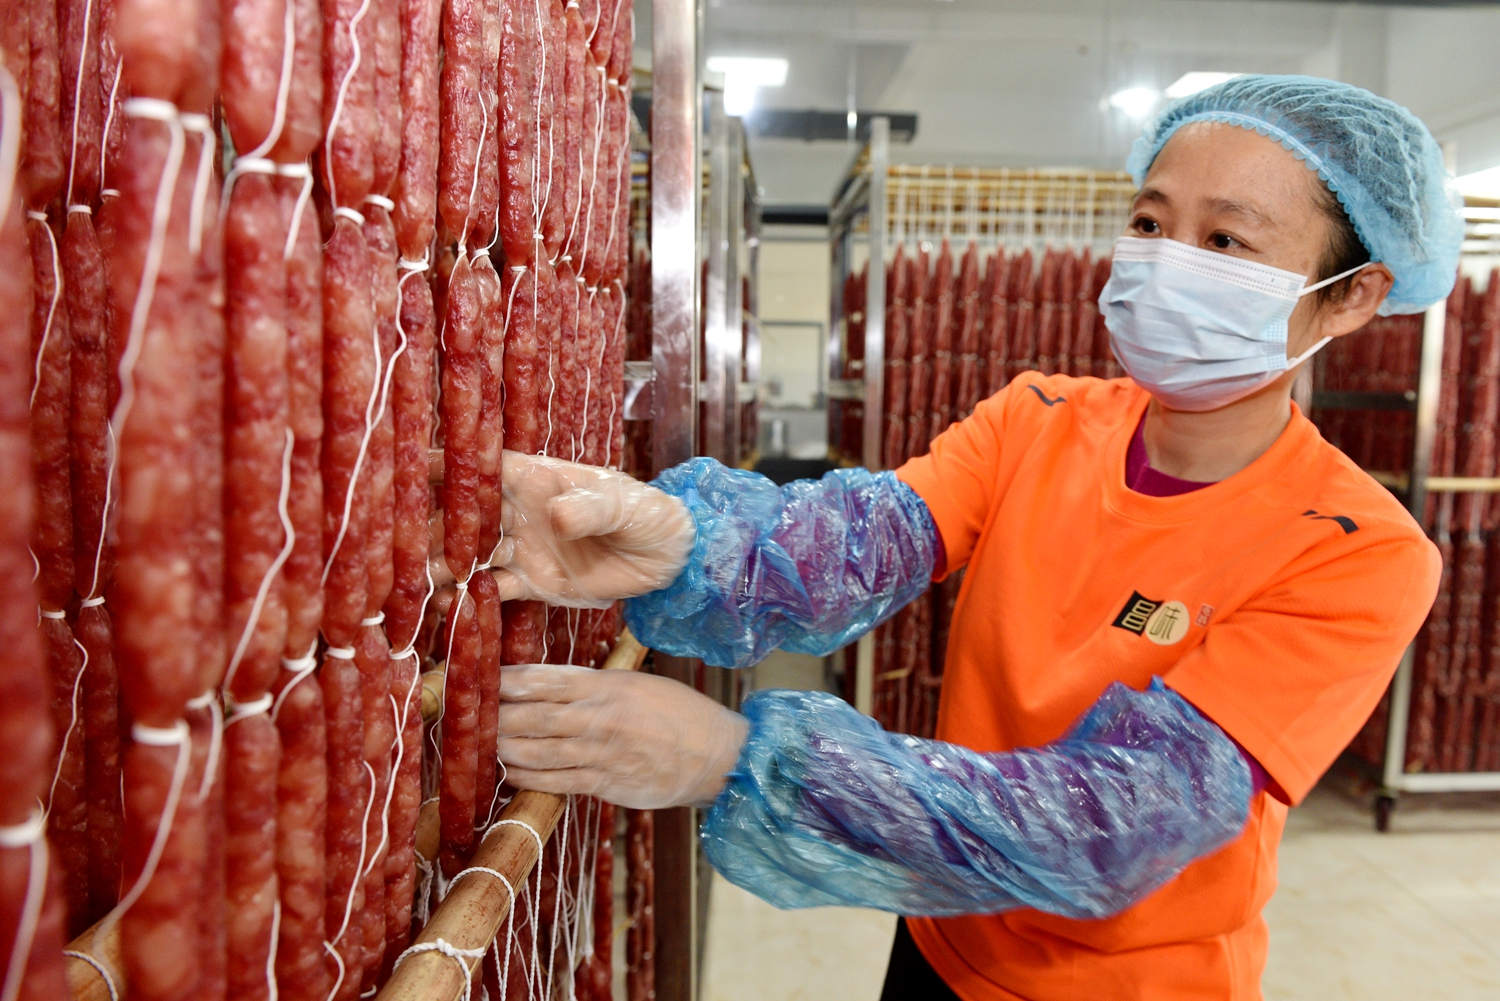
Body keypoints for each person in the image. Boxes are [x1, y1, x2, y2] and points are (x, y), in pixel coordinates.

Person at [473, 76, 1463, 1000]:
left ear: (1351, 295)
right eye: (1151, 222)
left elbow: (1114, 824)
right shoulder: (1041, 415)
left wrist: (739, 759)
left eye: (1226, 242)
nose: (1166, 260)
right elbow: (860, 541)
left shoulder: (1358, 549)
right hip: (945, 934)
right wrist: (679, 541)